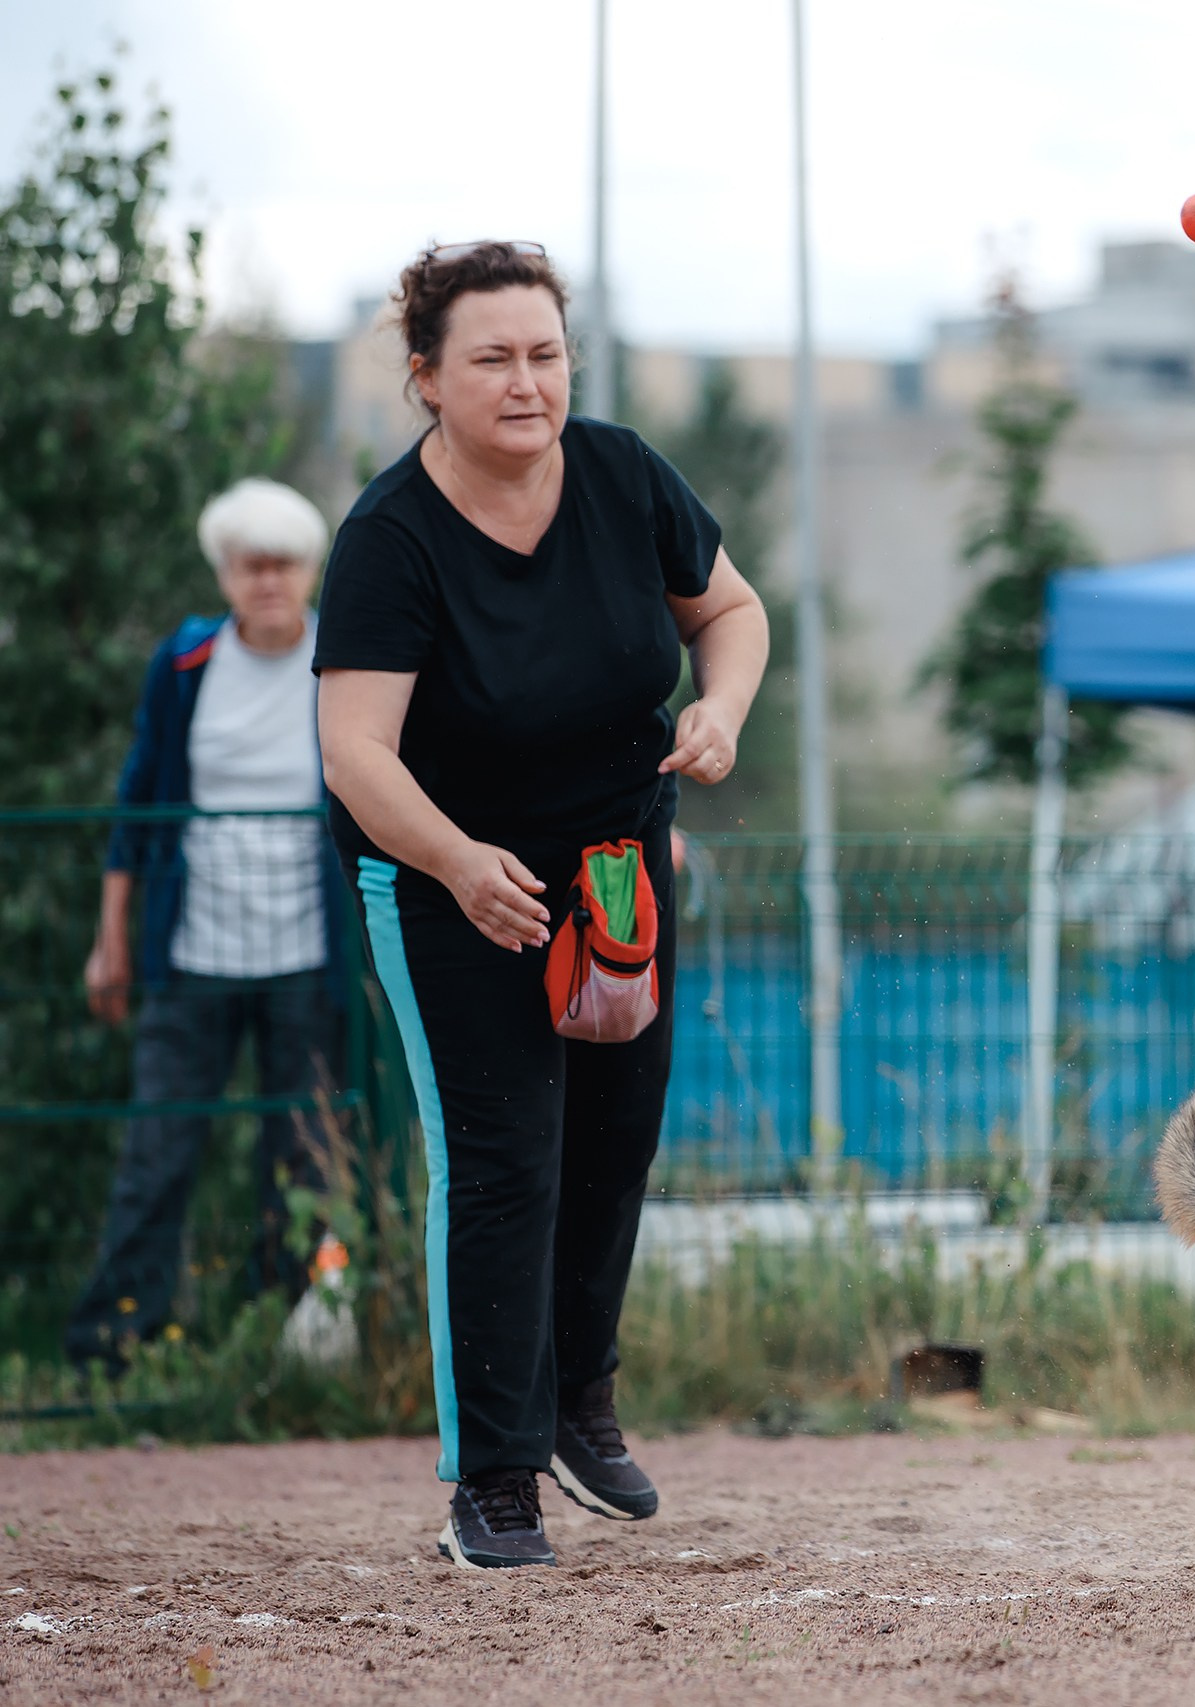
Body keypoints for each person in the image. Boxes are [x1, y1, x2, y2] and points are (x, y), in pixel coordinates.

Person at [315, 241, 767, 1571]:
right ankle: (494, 1475)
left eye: (545, 353)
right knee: (505, 1163)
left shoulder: (626, 475)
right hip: (453, 881)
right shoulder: (390, 541)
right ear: (426, 379)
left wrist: (721, 710)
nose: (527, 382)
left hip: (619, 870)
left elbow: (729, 609)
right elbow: (355, 752)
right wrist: (457, 859)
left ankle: (579, 1399)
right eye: (492, 358)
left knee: (614, 1142)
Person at [67, 478, 344, 1370]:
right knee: (159, 1151)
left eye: (284, 563)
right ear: (223, 573)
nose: (268, 580)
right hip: (191, 956)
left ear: (310, 569)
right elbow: (137, 803)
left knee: (306, 1159)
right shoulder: (183, 665)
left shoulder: (343, 661)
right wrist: (113, 937)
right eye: (249, 564)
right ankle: (115, 1349)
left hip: (310, 958)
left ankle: (295, 1348)